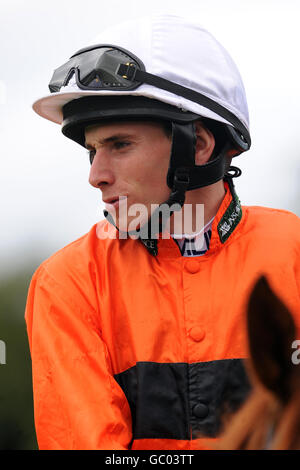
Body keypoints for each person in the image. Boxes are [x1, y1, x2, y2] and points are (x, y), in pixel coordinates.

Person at [25, 14, 300, 450]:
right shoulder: (68, 282)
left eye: (119, 145)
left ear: (200, 144)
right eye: (94, 151)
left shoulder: (294, 251)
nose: (97, 175)